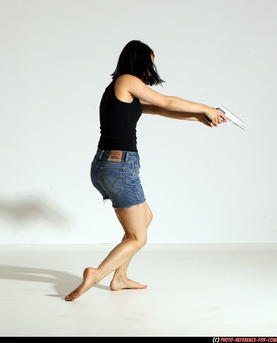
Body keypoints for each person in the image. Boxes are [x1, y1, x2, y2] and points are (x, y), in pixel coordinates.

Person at [65, 40, 226, 301]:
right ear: (139, 61)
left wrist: (197, 117)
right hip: (120, 166)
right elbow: (167, 101)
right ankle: (96, 275)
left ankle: (120, 278)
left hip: (105, 166)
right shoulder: (127, 80)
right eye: (150, 62)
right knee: (138, 237)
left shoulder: (120, 90)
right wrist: (206, 107)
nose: (152, 68)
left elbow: (161, 110)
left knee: (145, 217)